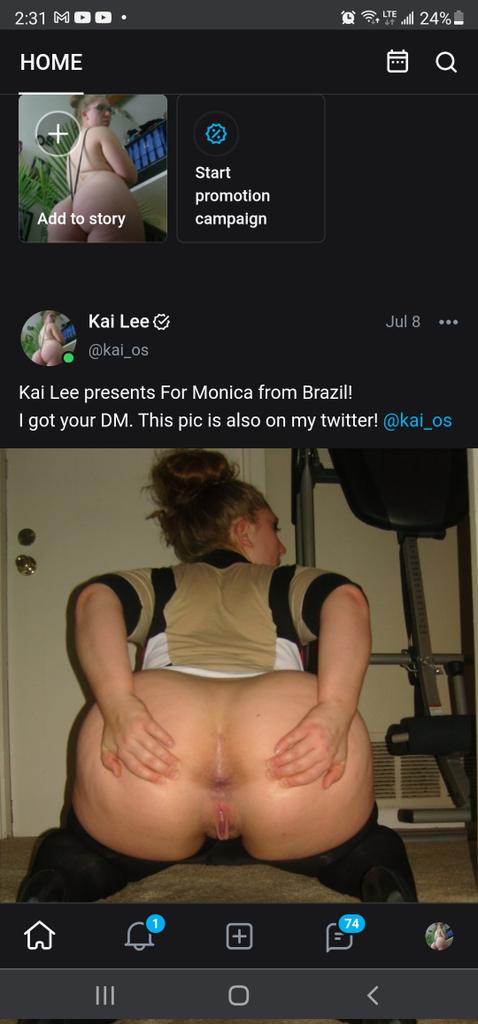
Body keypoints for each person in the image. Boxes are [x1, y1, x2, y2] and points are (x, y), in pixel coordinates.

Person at [19, 449, 417, 908]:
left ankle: (60, 880)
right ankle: (377, 874)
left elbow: (95, 599)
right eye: (274, 529)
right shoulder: (285, 581)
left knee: (83, 851)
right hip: (286, 770)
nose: (281, 548)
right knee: (362, 848)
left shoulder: (159, 582)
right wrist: (334, 710)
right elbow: (348, 600)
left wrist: (120, 705)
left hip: (157, 767)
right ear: (243, 530)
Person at [47, 95, 145, 243]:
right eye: (100, 108)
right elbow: (130, 175)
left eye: (109, 110)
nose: (108, 113)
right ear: (84, 114)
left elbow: (73, 187)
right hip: (102, 198)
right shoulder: (101, 132)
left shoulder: (71, 150)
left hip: (66, 208)